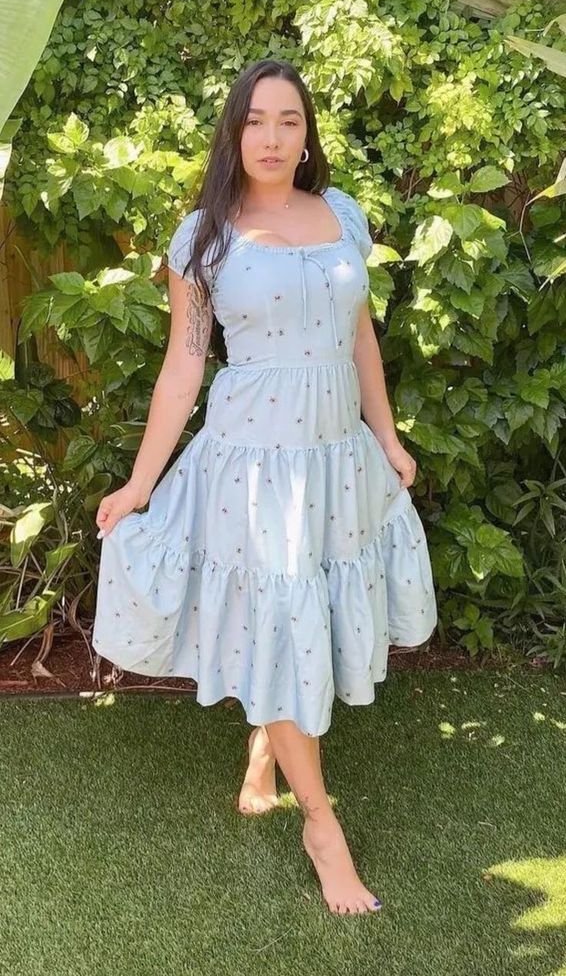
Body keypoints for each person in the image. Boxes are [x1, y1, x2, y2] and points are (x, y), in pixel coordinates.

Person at [92, 58, 438, 915]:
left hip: (335, 459)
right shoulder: (204, 237)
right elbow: (183, 367)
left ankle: (265, 748)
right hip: (251, 468)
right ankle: (323, 826)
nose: (272, 138)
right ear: (233, 133)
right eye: (255, 121)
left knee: (300, 619)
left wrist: (387, 438)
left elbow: (360, 339)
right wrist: (140, 484)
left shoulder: (342, 215)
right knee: (281, 618)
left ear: (307, 133)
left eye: (288, 120)